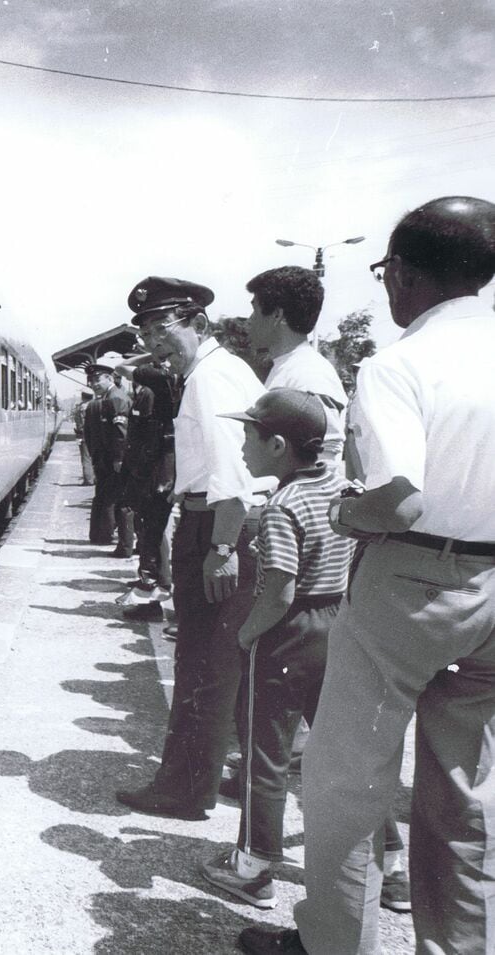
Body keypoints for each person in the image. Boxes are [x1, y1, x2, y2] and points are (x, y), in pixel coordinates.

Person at [239, 195, 495, 955]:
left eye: (386, 271)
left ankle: (333, 945)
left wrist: (349, 513)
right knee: (462, 787)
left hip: (412, 585)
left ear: (407, 273)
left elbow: (399, 498)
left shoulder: (401, 363)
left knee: (348, 780)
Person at [115, 276, 265, 820]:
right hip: (214, 521)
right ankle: (191, 782)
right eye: (148, 332)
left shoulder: (209, 380)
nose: (155, 343)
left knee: (204, 663)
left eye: (164, 330)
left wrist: (222, 547)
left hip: (218, 525)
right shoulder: (216, 372)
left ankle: (183, 790)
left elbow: (231, 472)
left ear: (199, 324)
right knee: (213, 662)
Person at [199, 389, 355, 909]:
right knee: (341, 754)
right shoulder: (337, 485)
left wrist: (249, 634)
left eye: (249, 434)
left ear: (278, 445)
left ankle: (253, 867)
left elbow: (281, 588)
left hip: (289, 630)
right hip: (337, 623)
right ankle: (390, 868)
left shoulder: (284, 505)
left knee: (264, 754)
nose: (242, 444)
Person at [245, 266, 346, 463]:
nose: (250, 320)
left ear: (277, 315)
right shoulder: (288, 367)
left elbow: (324, 456)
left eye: (254, 309)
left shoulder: (309, 374)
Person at [112, 351, 179, 618]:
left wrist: (155, 350)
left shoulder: (155, 384)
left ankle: (151, 598)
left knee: (150, 533)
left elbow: (122, 366)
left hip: (153, 473)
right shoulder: (165, 382)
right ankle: (150, 591)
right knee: (149, 532)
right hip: (153, 471)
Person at [82, 358, 133, 553]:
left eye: (97, 380)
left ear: (109, 378)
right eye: (91, 381)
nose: (94, 384)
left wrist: (119, 458)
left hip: (113, 460)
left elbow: (121, 432)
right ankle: (104, 535)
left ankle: (109, 537)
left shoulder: (116, 398)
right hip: (104, 459)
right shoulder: (106, 399)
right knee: (107, 496)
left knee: (113, 498)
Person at [73, 390, 95, 486]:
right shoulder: (94, 405)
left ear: (83, 396)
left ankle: (88, 479)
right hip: (94, 434)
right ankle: (93, 478)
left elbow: (79, 422)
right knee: (94, 457)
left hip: (83, 434)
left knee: (86, 457)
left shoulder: (80, 407)